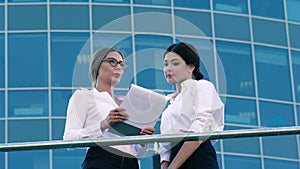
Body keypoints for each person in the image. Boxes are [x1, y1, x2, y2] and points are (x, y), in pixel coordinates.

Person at [63, 47, 155, 169]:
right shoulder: (84, 96)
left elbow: (139, 153)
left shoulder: (128, 102)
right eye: (112, 61)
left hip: (131, 163)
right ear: (97, 65)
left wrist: (143, 141)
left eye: (121, 64)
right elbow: (69, 139)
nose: (118, 67)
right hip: (102, 160)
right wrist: (103, 125)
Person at [159, 42, 224, 169]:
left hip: (197, 155)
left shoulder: (202, 86)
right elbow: (165, 144)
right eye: (166, 64)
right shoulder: (171, 102)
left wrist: (173, 167)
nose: (168, 68)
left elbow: (200, 129)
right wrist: (165, 164)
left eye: (175, 63)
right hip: (174, 157)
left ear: (191, 67)